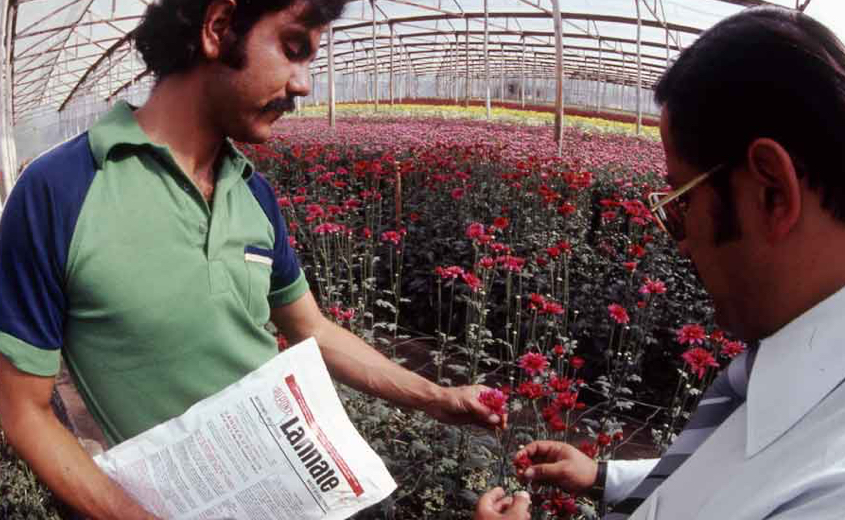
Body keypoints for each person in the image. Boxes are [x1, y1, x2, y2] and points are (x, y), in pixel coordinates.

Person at [0, 1, 503, 519]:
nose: (303, 84)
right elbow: (23, 410)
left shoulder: (252, 192)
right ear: (218, 27)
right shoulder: (61, 190)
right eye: (292, 48)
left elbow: (313, 330)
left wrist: (437, 398)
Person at [476, 6, 845, 520]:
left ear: (771, 192)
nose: (681, 242)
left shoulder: (835, 491)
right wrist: (604, 477)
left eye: (682, 201)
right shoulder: (795, 374)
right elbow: (732, 473)